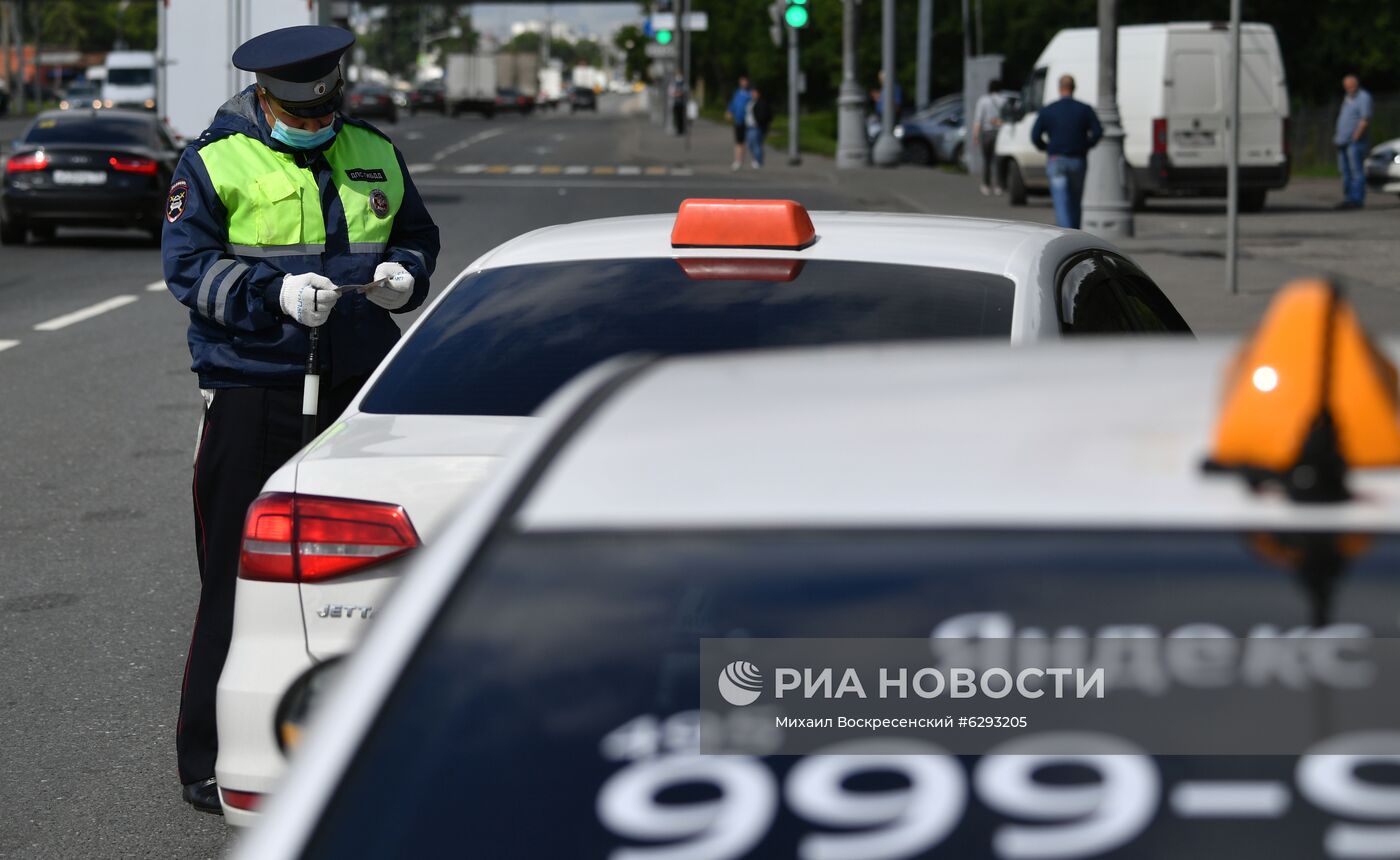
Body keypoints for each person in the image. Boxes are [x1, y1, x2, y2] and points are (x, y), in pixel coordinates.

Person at [161, 24, 439, 814]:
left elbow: (415, 234)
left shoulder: (374, 149)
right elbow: (188, 267)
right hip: (254, 389)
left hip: (357, 391)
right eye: (300, 115)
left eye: (326, 113)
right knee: (236, 581)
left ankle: (357, 738)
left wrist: (404, 278)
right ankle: (209, 759)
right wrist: (267, 297)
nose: (315, 125)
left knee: (366, 577)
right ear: (266, 98)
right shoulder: (213, 160)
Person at [1030, 74, 1102, 229]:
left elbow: (1035, 136)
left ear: (1059, 88)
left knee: (1062, 202)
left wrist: (1046, 147)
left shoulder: (1048, 110)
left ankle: (1066, 235)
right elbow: (1098, 132)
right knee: (1076, 201)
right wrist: (1086, 145)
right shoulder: (1084, 109)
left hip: (1056, 159)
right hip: (1077, 160)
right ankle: (1075, 233)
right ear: (1074, 88)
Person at [1334, 74, 1372, 209]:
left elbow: (1364, 119)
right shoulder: (1347, 98)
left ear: (1356, 84)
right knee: (1345, 171)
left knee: (1356, 171)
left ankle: (1356, 200)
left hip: (1354, 141)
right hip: (1342, 141)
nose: (1350, 88)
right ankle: (1348, 198)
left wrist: (1356, 136)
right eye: (1347, 86)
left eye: (1352, 86)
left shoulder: (1363, 97)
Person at [972, 79, 1006, 195]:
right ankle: (999, 186)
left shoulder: (983, 100)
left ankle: (986, 185)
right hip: (1000, 134)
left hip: (986, 133)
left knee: (987, 161)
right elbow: (1006, 118)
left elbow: (978, 120)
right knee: (998, 161)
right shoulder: (1003, 100)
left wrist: (975, 135)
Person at [725, 75, 751, 171]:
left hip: (748, 121)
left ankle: (742, 159)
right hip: (738, 120)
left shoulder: (750, 94)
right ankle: (738, 160)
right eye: (742, 81)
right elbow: (733, 104)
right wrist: (729, 111)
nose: (743, 83)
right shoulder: (737, 93)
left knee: (745, 141)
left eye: (745, 81)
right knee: (738, 141)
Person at [745, 86, 773, 168]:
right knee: (750, 144)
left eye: (755, 93)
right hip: (749, 126)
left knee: (757, 144)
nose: (753, 94)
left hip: (757, 127)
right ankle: (756, 159)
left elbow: (766, 115)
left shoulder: (762, 103)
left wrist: (759, 122)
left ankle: (758, 160)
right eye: (752, 93)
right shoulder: (750, 102)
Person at [669, 72, 688, 136]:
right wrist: (677, 93)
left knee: (681, 117)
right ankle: (678, 129)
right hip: (675, 103)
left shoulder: (683, 83)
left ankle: (682, 130)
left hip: (682, 103)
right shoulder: (674, 83)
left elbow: (683, 92)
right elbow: (671, 92)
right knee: (677, 117)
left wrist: (678, 93)